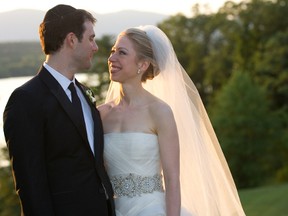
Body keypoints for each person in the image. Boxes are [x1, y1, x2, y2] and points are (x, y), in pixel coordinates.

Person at [98, 25, 246, 216]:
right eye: (112, 51)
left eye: (122, 53)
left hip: (152, 210)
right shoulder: (100, 114)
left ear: (142, 65)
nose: (112, 58)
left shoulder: (159, 111)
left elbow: (172, 178)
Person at [3, 4, 115, 216]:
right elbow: (30, 185)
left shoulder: (83, 93)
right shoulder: (26, 100)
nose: (96, 47)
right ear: (72, 40)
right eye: (91, 38)